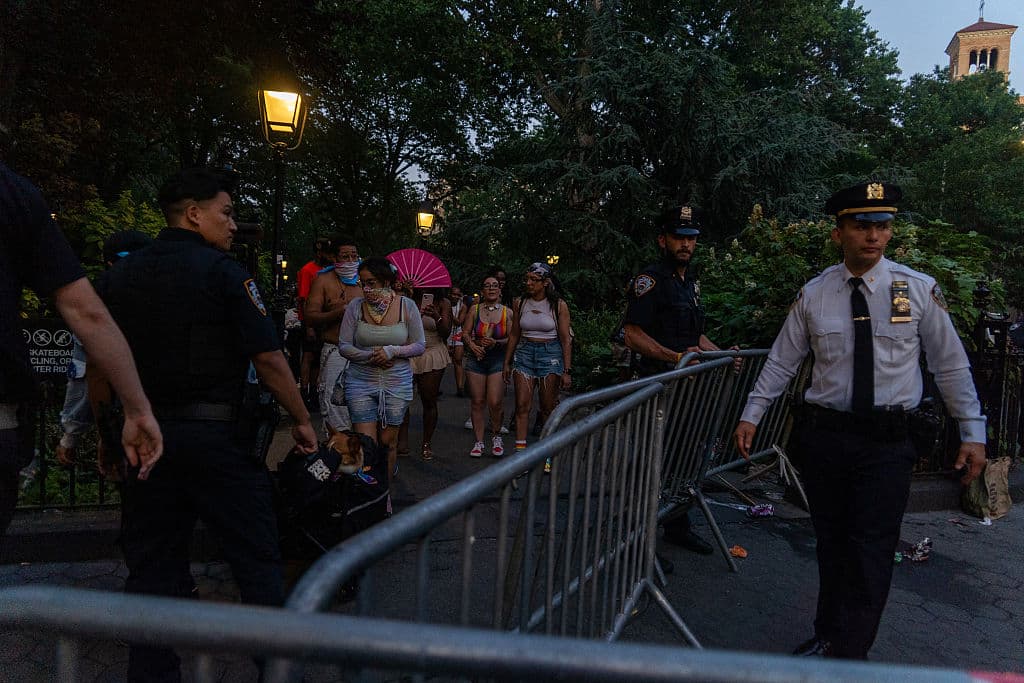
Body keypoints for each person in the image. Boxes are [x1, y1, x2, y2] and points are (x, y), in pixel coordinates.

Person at [733, 182, 986, 661]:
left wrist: (972, 433)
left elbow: (949, 363)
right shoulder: (814, 294)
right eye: (861, 225)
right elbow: (782, 362)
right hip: (827, 438)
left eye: (882, 226)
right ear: (839, 233)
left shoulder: (914, 289)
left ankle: (850, 655)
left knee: (871, 549)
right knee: (830, 544)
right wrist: (752, 414)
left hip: (887, 445)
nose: (873, 235)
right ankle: (828, 634)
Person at [92, 167, 317, 680]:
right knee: (257, 562)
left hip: (147, 443)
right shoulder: (223, 273)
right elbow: (268, 357)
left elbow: (99, 368)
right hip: (217, 444)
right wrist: (301, 421)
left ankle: (152, 673)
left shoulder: (118, 277)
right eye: (227, 212)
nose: (233, 225)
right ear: (194, 214)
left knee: (151, 567)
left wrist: (107, 438)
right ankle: (277, 669)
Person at [0, 163, 162, 551]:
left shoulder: (110, 286)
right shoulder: (14, 194)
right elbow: (85, 315)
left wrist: (75, 433)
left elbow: (85, 370)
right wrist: (138, 410)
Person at [623, 205, 731, 555]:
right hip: (656, 385)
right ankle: (638, 542)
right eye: (678, 237)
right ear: (663, 240)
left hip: (686, 389)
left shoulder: (691, 283)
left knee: (683, 458)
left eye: (691, 238)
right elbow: (632, 334)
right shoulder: (650, 280)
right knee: (650, 463)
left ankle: (677, 525)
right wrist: (675, 359)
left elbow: (695, 337)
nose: (685, 244)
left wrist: (725, 354)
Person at [55, 230, 154, 467]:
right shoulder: (173, 296)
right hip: (181, 421)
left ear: (110, 263)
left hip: (123, 424)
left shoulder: (99, 302)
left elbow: (83, 379)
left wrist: (71, 436)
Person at [338, 257, 425, 478]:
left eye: (371, 283)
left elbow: (419, 344)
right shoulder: (355, 308)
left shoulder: (407, 306)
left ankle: (383, 493)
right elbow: (344, 346)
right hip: (360, 381)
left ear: (386, 281)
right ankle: (370, 494)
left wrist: (393, 351)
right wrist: (370, 356)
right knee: (367, 444)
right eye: (362, 283)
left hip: (396, 382)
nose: (366, 289)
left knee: (388, 443)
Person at [503, 263, 572, 457]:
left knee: (546, 408)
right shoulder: (520, 302)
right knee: (522, 405)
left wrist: (567, 371)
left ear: (545, 282)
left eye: (534, 280)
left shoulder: (558, 305)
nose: (529, 283)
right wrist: (507, 362)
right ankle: (520, 454)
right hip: (524, 353)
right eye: (527, 279)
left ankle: (546, 453)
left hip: (550, 355)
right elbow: (515, 334)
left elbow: (566, 340)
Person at [304, 236, 361, 438]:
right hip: (336, 350)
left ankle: (364, 455)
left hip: (365, 352)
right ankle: (338, 454)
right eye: (345, 256)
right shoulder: (323, 280)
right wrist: (337, 312)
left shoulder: (367, 278)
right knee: (335, 405)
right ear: (334, 258)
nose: (350, 260)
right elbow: (310, 316)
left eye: (354, 255)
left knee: (363, 407)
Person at [398, 288, 452, 460]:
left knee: (428, 399)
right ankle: (402, 440)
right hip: (409, 350)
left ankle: (426, 442)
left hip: (432, 352)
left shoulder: (443, 303)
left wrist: (436, 315)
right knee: (402, 398)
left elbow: (446, 333)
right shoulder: (406, 298)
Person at [463, 276, 512, 457]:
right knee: (477, 401)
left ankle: (496, 436)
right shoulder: (474, 310)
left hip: (497, 360)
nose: (491, 288)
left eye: (495, 286)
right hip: (476, 359)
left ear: (500, 290)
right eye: (487, 286)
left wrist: (497, 342)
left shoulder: (508, 312)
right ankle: (479, 442)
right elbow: (465, 333)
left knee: (495, 401)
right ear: (482, 291)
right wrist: (473, 346)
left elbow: (512, 339)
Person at [296, 236, 333, 407]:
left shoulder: (326, 271)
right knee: (309, 356)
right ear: (319, 252)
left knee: (318, 357)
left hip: (323, 319)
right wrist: (309, 326)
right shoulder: (308, 270)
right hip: (311, 319)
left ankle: (314, 391)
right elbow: (303, 299)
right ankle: (304, 391)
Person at [448, 285, 466, 397]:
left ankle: (460, 387)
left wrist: (448, 311)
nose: (455, 296)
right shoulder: (444, 303)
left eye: (457, 295)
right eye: (453, 294)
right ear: (449, 294)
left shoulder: (462, 306)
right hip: (445, 333)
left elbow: (459, 322)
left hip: (457, 333)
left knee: (458, 360)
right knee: (442, 362)